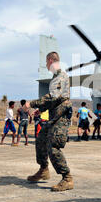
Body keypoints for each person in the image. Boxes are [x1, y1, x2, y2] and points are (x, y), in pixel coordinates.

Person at [27, 51, 73, 192]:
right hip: (54, 115)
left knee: (53, 146)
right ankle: (43, 170)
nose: (46, 65)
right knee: (41, 140)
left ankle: (67, 178)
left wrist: (33, 103)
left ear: (51, 60)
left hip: (61, 116)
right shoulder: (56, 77)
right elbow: (54, 100)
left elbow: (53, 97)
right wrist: (41, 110)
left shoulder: (61, 76)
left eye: (47, 62)